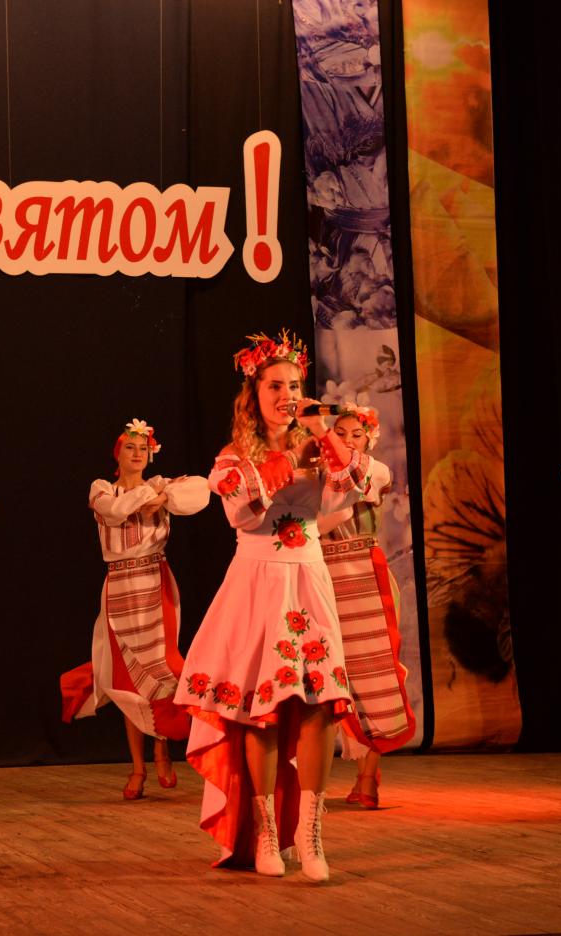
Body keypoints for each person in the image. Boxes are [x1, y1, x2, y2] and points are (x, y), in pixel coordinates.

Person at [173, 331, 374, 883]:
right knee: (259, 706)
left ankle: (310, 834)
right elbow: (242, 513)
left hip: (308, 577)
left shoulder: (321, 443)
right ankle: (266, 834)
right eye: (275, 386)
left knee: (320, 703)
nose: (287, 395)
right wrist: (289, 457)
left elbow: (354, 486)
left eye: (294, 385)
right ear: (254, 394)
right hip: (257, 581)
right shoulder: (234, 456)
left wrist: (323, 435)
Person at [60, 419, 209, 799]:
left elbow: (200, 491)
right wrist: (150, 497)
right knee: (127, 678)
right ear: (118, 454)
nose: (138, 453)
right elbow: (113, 511)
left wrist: (164, 495)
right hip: (120, 586)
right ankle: (138, 768)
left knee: (161, 668)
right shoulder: (102, 488)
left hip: (154, 582)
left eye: (144, 448)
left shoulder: (161, 484)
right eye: (130, 447)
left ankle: (161, 750)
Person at [317, 406, 415, 808]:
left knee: (374, 674)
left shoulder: (375, 470)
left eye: (355, 434)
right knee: (331, 674)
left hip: (366, 576)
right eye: (339, 433)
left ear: (368, 439)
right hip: (325, 576)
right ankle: (323, 780)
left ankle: (368, 777)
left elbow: (340, 502)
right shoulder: (320, 476)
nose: (347, 440)